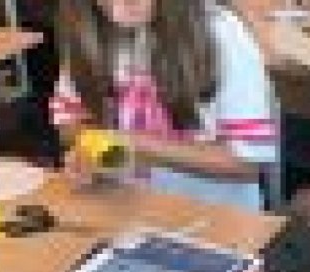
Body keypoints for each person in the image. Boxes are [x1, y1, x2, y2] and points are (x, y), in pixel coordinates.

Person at [50, 0, 280, 211]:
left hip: (218, 217)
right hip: (126, 209)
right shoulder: (92, 29)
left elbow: (246, 163)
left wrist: (137, 145)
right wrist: (99, 153)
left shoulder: (219, 33)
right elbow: (70, 122)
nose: (117, 7)